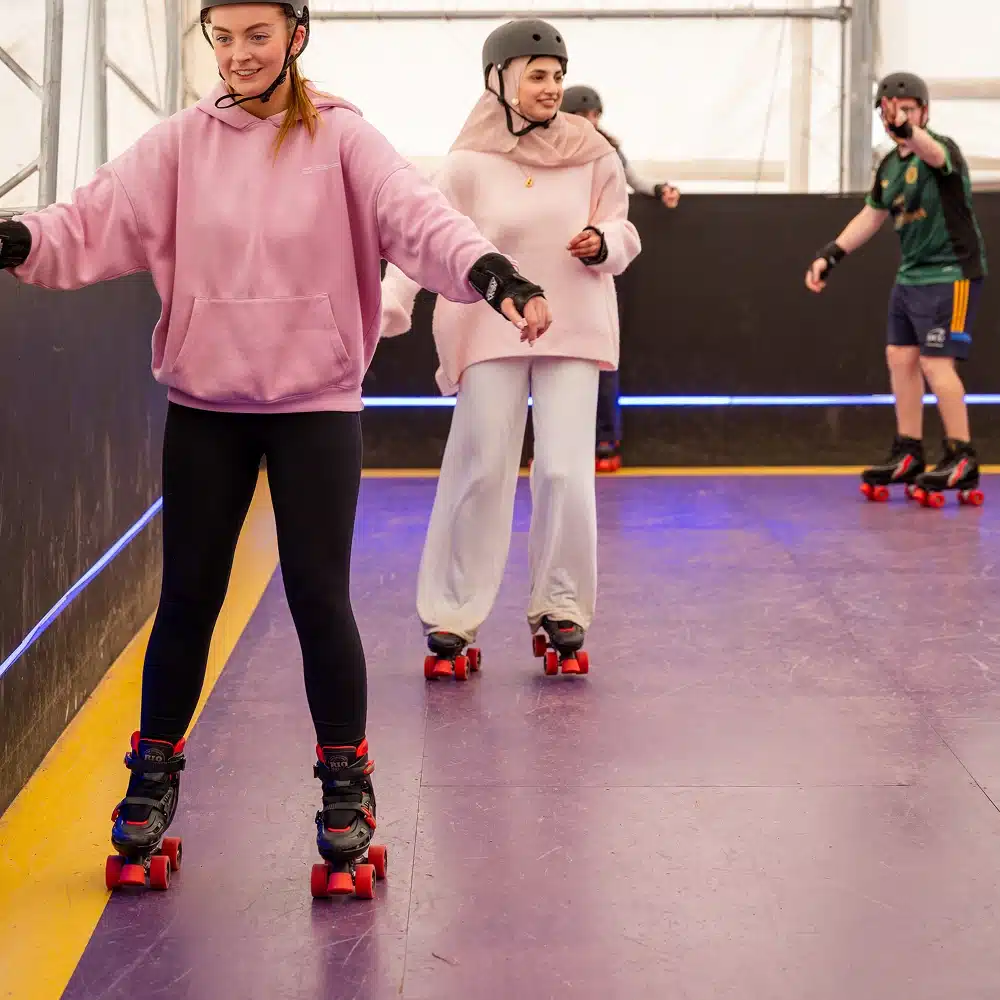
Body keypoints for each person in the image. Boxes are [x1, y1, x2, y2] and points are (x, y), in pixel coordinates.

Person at [0, 0, 551, 895]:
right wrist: (20, 237)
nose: (238, 55)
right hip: (206, 403)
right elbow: (92, 221)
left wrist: (495, 276)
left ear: (296, 35)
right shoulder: (179, 143)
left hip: (316, 406)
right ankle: (152, 776)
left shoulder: (344, 140)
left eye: (257, 35)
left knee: (317, 599)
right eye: (222, 37)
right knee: (187, 598)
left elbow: (420, 220)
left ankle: (345, 784)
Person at [379, 19, 640, 678]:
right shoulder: (467, 162)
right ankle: (451, 613)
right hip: (488, 328)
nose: (551, 87)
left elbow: (623, 227)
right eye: (537, 75)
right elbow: (429, 238)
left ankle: (563, 607)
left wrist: (606, 243)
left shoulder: (595, 153)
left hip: (573, 325)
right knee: (480, 464)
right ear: (501, 79)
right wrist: (394, 299)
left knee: (563, 471)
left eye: (556, 75)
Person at [806, 72, 988, 507]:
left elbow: (930, 150)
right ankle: (909, 451)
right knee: (899, 357)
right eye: (892, 111)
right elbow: (871, 216)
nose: (900, 117)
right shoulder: (889, 167)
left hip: (950, 273)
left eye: (909, 109)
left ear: (924, 112)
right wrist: (831, 254)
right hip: (910, 277)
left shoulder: (942, 152)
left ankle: (962, 457)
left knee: (935, 363)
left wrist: (911, 132)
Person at [561, 84, 680, 472]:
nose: (591, 122)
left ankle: (606, 441)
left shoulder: (606, 150)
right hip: (559, 261)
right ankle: (562, 444)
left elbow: (633, 180)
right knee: (555, 357)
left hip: (599, 259)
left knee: (601, 351)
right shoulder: (550, 146)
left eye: (595, 115)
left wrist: (660, 188)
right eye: (584, 115)